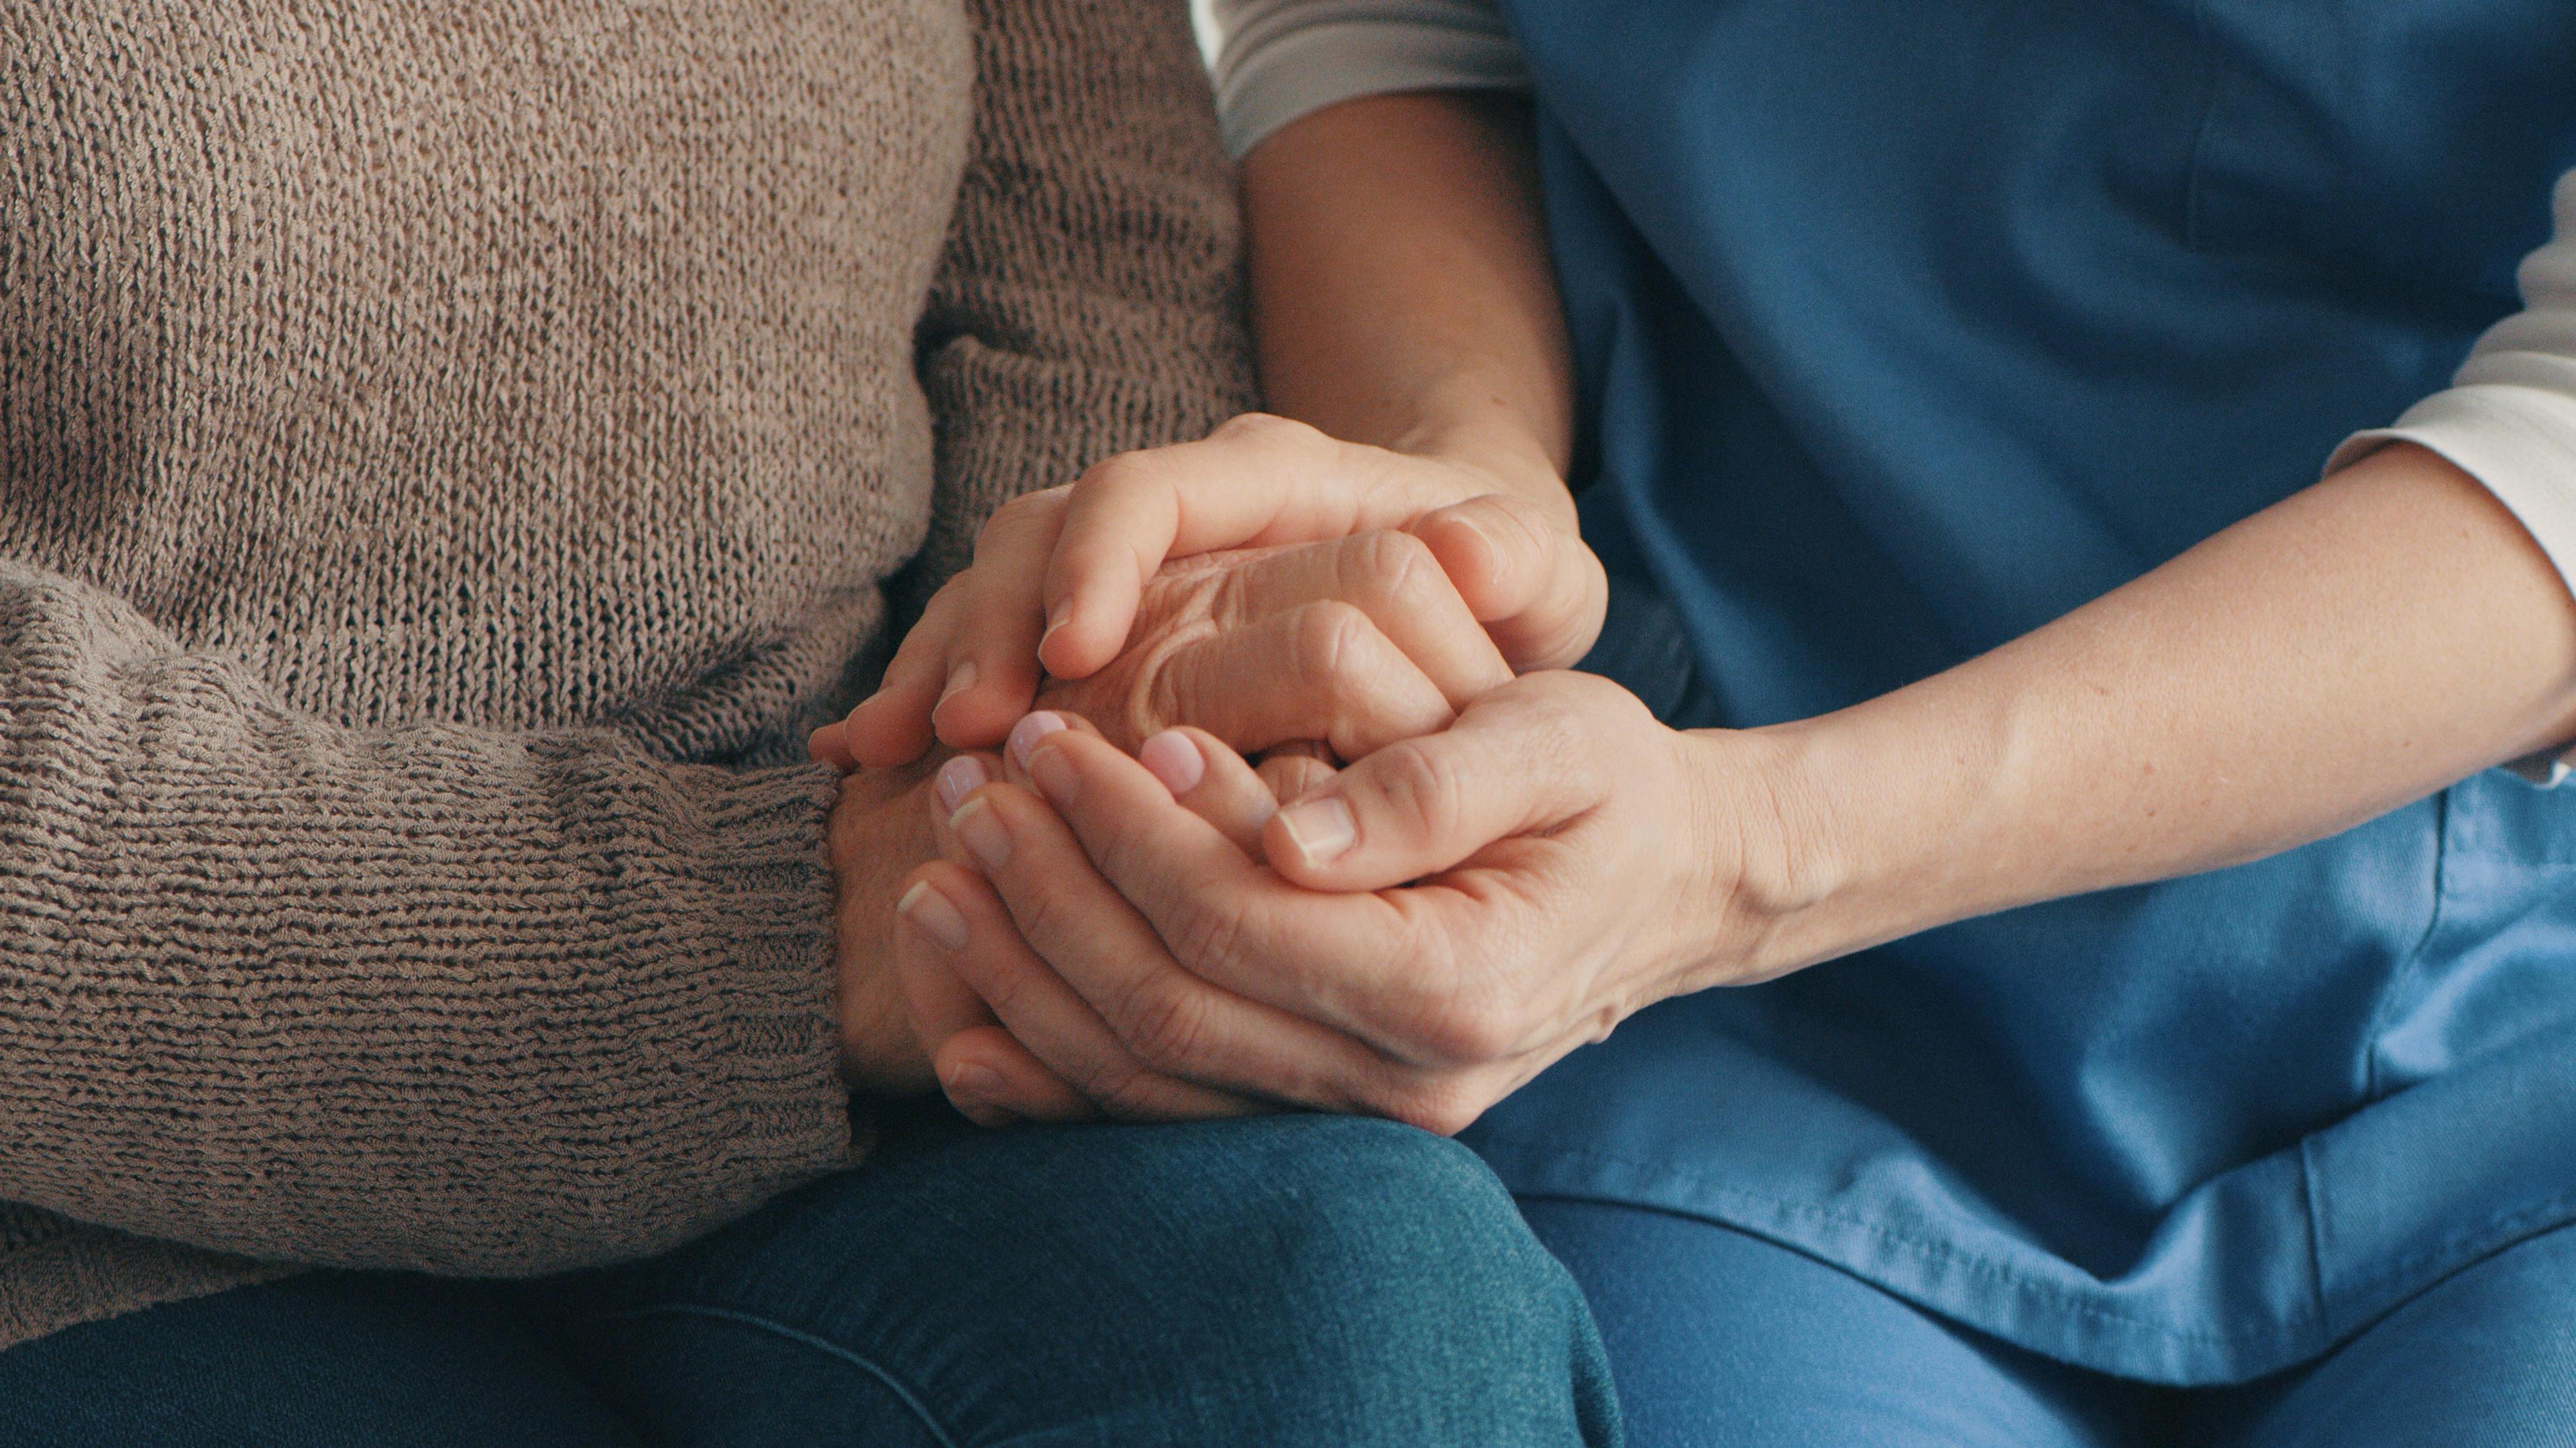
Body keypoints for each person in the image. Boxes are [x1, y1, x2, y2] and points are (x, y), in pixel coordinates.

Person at [832, 0, 2576, 1442]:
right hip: (1715, 1034)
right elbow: (1392, 26)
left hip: (2484, 1039)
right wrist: (1459, 499)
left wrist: (1748, 854)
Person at [0, 3, 1621, 1443]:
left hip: (904, 1036)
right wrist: (813, 929)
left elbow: (1095, 255)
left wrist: (1088, 735)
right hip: (89, 1189)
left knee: (1370, 1312)